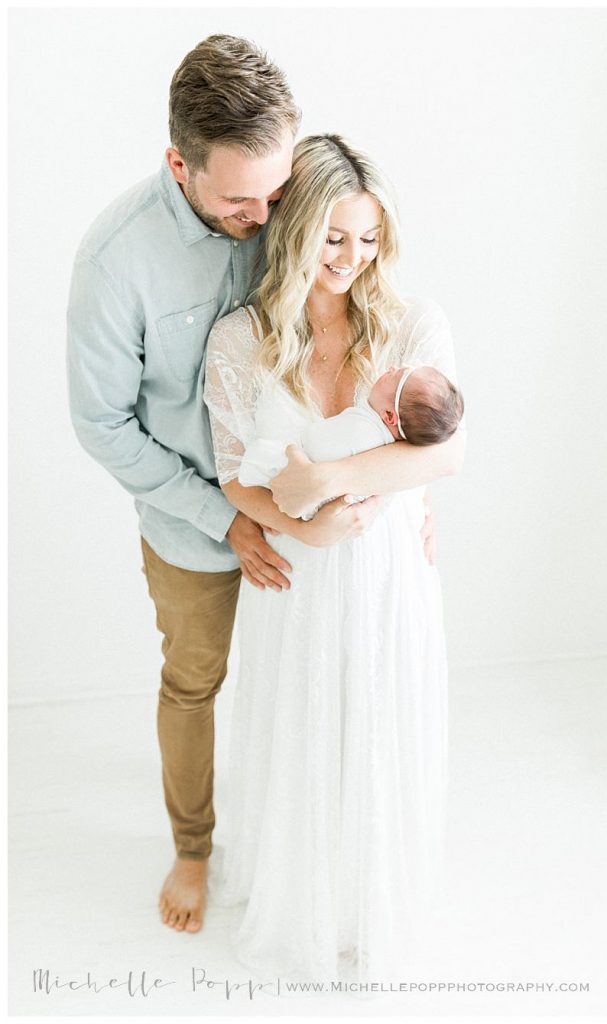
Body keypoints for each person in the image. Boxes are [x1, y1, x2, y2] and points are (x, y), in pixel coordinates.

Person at [66, 34, 324, 935]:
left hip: (309, 502)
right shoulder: (115, 262)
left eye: (276, 192)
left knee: (307, 677)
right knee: (196, 681)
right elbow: (101, 423)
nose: (265, 217)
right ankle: (192, 844)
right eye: (238, 200)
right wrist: (222, 519)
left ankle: (304, 835)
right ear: (179, 164)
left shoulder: (290, 192)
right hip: (192, 527)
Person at [203, 133, 465, 980]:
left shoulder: (414, 324)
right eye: (333, 236)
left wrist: (333, 475)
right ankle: (304, 897)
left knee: (378, 722)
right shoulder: (240, 341)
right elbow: (234, 472)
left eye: (369, 237)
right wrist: (303, 522)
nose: (352, 257)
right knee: (305, 725)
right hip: (298, 572)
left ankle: (368, 897)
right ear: (294, 229)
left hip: (387, 570)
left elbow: (444, 453)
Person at [238, 360, 465, 519]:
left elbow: (319, 446)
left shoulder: (364, 432)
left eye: (394, 376)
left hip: (307, 475)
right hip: (320, 494)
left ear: (389, 416)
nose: (392, 367)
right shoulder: (383, 442)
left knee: (260, 459)